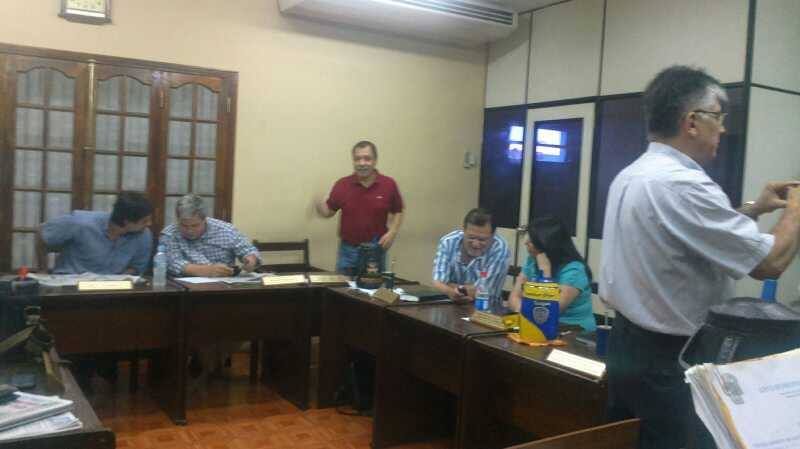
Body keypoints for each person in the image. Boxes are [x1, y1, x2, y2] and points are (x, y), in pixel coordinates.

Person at [599, 65, 800, 449]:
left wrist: (756, 208)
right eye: (718, 117)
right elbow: (770, 263)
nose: (722, 129)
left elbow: (693, 236)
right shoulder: (682, 183)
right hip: (669, 359)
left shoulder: (635, 173)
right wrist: (797, 208)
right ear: (692, 122)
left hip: (628, 346)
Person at [315, 140, 404, 274]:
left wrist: (392, 232)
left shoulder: (388, 184)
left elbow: (398, 210)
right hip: (347, 252)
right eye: (357, 159)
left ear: (375, 160)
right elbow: (329, 212)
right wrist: (318, 205)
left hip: (375, 252)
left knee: (373, 288)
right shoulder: (342, 185)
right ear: (353, 161)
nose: (362, 163)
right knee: (343, 287)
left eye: (367, 159)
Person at [508, 215, 596, 331]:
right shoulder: (532, 260)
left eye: (532, 240)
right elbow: (514, 298)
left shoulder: (574, 271)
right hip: (535, 326)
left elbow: (549, 312)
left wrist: (546, 273)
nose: (526, 242)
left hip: (573, 331)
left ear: (548, 244)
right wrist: (526, 315)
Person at [39, 192, 153, 274]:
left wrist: (119, 282)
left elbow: (136, 267)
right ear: (127, 222)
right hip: (70, 285)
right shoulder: (81, 222)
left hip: (109, 291)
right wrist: (42, 270)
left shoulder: (144, 235)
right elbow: (42, 234)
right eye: (144, 221)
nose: (149, 224)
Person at [160, 194, 260, 277]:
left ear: (205, 219)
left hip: (225, 286)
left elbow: (249, 251)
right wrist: (207, 270)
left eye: (195, 225)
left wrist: (251, 260)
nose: (189, 230)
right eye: (184, 225)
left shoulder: (226, 230)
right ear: (177, 220)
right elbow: (173, 263)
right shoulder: (169, 234)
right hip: (185, 289)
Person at [432, 208, 510, 307]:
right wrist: (452, 292)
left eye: (482, 240)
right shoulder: (448, 242)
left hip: (486, 309)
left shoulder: (499, 248)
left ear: (493, 235)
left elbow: (483, 291)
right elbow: (437, 283)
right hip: (449, 305)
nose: (475, 244)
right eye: (471, 237)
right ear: (463, 231)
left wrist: (449, 286)